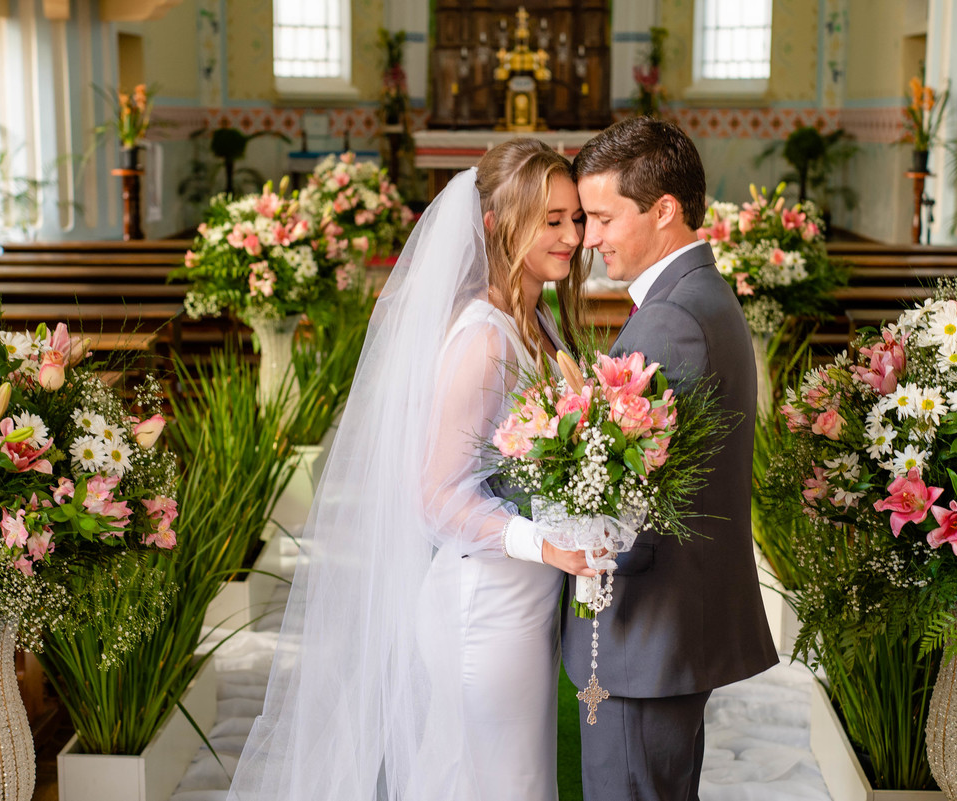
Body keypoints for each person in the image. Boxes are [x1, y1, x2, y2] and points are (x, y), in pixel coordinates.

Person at [227, 138, 594, 801]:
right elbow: (437, 496)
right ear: (497, 224)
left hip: (525, 602)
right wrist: (538, 541)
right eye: (552, 220)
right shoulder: (485, 339)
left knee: (506, 780)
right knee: (497, 786)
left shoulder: (536, 317)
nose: (573, 236)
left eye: (576, 217)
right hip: (486, 607)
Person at [565, 117, 778, 800]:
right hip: (673, 631)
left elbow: (636, 494)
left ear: (663, 210)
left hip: (646, 632)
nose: (589, 239)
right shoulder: (697, 294)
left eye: (603, 218)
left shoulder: (671, 318)